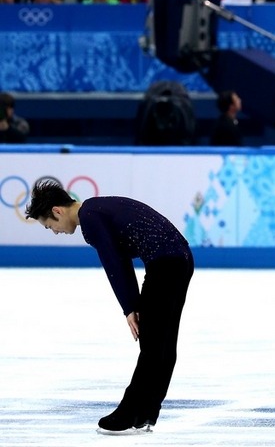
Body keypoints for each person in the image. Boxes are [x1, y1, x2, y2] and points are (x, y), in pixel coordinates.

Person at [25, 181, 194, 432]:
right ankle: (146, 412)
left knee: (153, 345)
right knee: (162, 344)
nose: (55, 231)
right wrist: (133, 304)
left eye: (50, 226)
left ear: (57, 210)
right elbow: (122, 258)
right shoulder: (97, 208)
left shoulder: (90, 218)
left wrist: (130, 308)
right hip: (179, 260)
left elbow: (114, 264)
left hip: (166, 265)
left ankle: (128, 414)